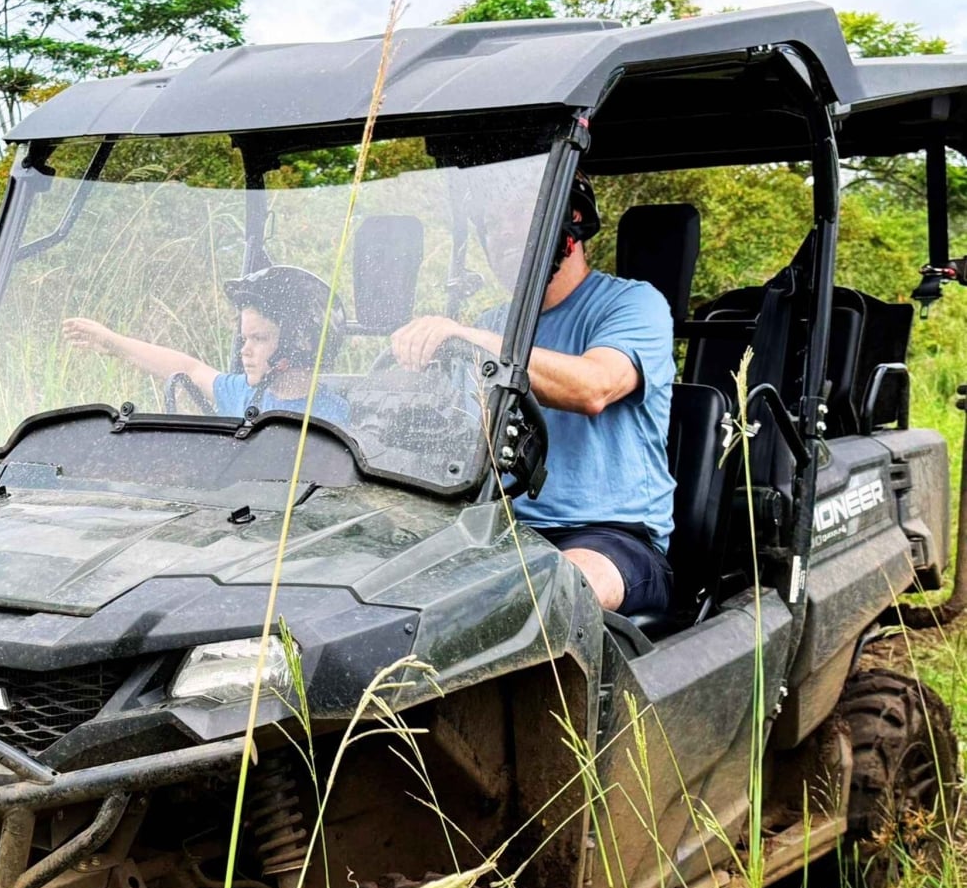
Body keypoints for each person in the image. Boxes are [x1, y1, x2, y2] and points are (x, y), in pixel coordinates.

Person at [390, 172, 676, 617]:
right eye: (490, 223)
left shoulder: (633, 304)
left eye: (517, 215)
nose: (500, 233)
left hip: (607, 538)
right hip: (494, 528)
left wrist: (468, 337)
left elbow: (593, 386)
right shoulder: (492, 322)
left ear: (572, 219)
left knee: (545, 591)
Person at [63, 265, 349, 426]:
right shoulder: (241, 392)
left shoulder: (336, 417)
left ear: (301, 344)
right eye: (244, 338)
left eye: (259, 339)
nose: (244, 350)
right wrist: (114, 344)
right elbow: (188, 368)